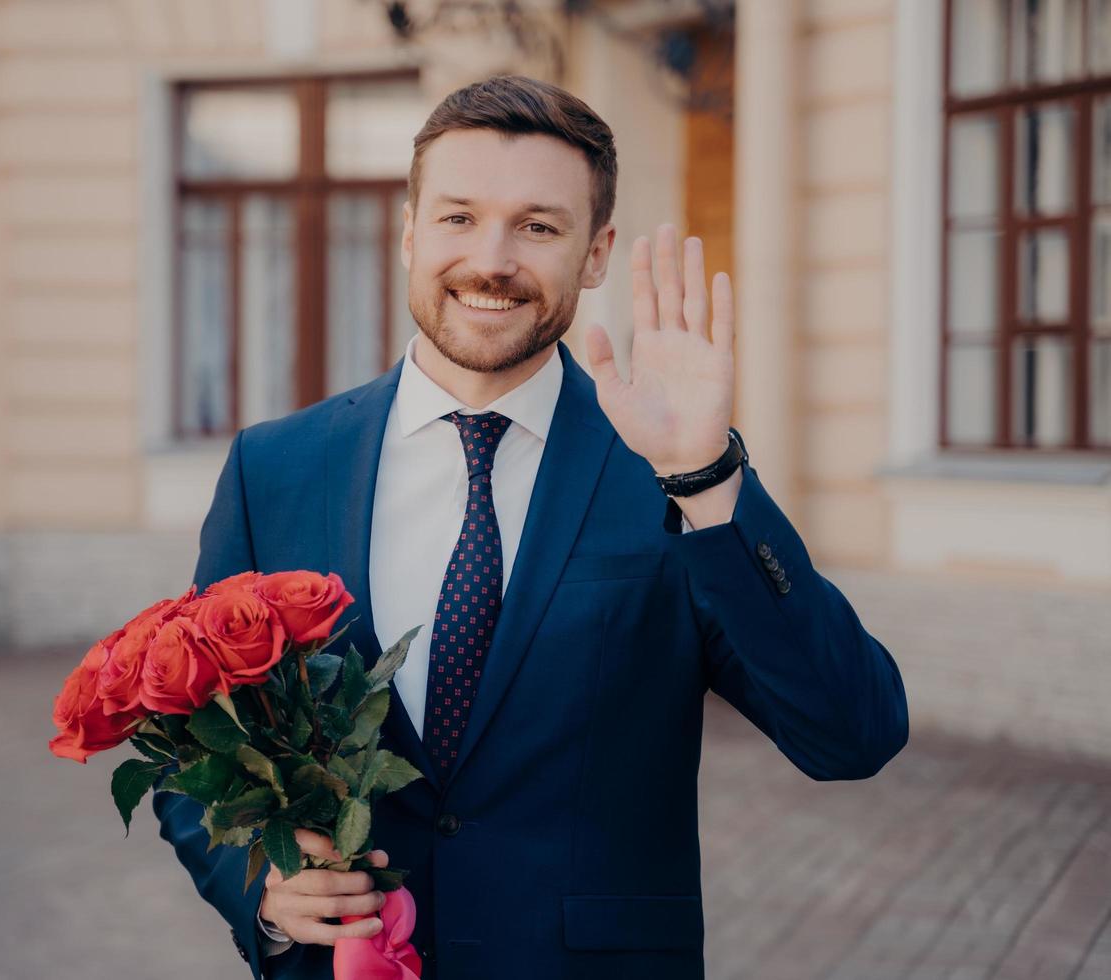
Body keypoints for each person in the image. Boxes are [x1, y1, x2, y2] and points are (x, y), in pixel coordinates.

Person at [153, 74, 909, 980]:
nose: (492, 259)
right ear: (408, 231)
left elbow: (852, 735)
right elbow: (191, 747)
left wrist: (707, 480)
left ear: (595, 254)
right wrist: (261, 889)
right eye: (458, 217)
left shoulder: (668, 473)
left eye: (539, 226)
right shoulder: (274, 468)